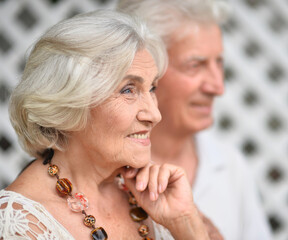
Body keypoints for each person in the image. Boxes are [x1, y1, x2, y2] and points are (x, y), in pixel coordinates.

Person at [0, 10, 212, 240]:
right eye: (128, 90)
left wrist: (185, 224)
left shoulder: (161, 200)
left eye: (152, 89)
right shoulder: (20, 225)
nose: (155, 114)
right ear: (69, 103)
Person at [117, 1, 273, 239]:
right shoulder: (103, 172)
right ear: (144, 68)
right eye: (195, 65)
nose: (218, 87)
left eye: (219, 62)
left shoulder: (230, 167)